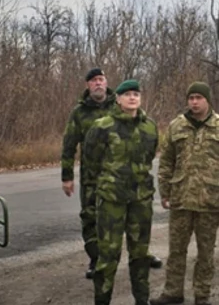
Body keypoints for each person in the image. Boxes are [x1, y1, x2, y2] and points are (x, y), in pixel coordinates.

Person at [150, 82, 219, 305]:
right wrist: (165, 191)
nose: (194, 102)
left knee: (206, 252)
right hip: (181, 198)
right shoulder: (176, 126)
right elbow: (166, 163)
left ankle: (202, 293)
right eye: (191, 97)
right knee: (176, 250)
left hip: (209, 200)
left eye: (198, 97)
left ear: (208, 100)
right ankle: (173, 291)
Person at [61, 68, 162, 279]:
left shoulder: (119, 105)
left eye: (101, 79)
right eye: (94, 80)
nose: (98, 83)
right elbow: (69, 145)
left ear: (107, 83)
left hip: (123, 175)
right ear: (88, 85)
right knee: (91, 216)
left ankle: (141, 254)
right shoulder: (79, 113)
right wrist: (67, 176)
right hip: (92, 176)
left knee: (135, 215)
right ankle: (96, 258)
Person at [83, 79, 159, 305]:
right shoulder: (102, 127)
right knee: (108, 256)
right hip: (111, 201)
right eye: (127, 94)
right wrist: (97, 196)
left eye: (136, 94)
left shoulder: (150, 127)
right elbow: (91, 164)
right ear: (117, 99)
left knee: (140, 253)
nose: (132, 98)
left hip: (140, 201)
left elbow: (149, 159)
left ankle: (142, 303)